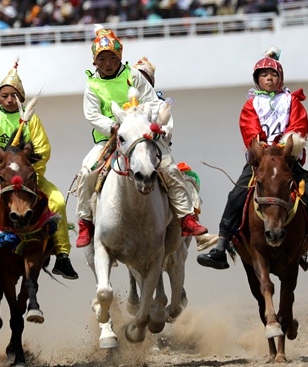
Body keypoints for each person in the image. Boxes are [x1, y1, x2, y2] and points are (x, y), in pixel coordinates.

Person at [197, 46, 308, 269]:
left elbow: (299, 126)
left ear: (280, 78)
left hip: (287, 159)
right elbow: (249, 129)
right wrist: (264, 150)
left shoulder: (292, 101)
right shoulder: (251, 104)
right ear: (257, 79)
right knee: (236, 195)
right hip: (261, 161)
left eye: (273, 74)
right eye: (264, 75)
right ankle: (222, 245)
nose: (269, 78)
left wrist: (283, 147)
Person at [75, 25, 208, 249]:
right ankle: (85, 221)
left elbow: (153, 103)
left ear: (119, 57)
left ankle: (186, 219)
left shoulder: (134, 75)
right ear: (95, 62)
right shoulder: (92, 84)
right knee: (87, 170)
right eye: (103, 59)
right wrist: (113, 127)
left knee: (170, 168)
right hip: (109, 138)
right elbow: (92, 114)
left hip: (142, 135)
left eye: (112, 58)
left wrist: (153, 126)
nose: (108, 64)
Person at [0, 58, 79, 282]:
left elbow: (43, 148)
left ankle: (63, 257)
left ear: (21, 98)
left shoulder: (31, 120)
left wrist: (27, 171)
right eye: (5, 95)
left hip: (28, 179)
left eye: (14, 95)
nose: (9, 99)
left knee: (57, 201)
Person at [133, 56, 218, 251]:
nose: (141, 81)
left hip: (156, 153)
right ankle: (98, 237)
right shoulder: (125, 104)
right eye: (138, 77)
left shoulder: (162, 105)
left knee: (183, 181)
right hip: (129, 154)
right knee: (94, 174)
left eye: (145, 78)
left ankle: (195, 231)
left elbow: (167, 131)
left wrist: (156, 129)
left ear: (151, 82)